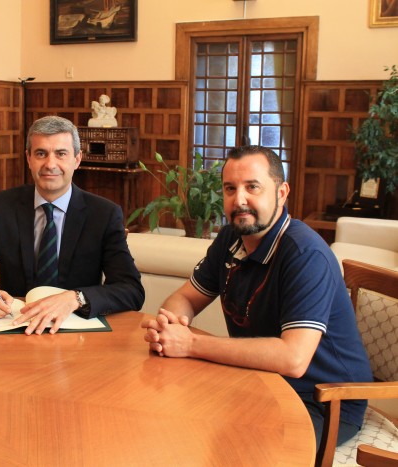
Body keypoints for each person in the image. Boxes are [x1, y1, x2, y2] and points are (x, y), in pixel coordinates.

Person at [141, 145, 372, 449]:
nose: (239, 200)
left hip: (324, 400)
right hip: (259, 381)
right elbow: (184, 298)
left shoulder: (305, 255)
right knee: (166, 421)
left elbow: (293, 359)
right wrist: (170, 324)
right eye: (230, 188)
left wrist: (191, 343)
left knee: (232, 447)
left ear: (281, 192)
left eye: (253, 187)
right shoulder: (230, 238)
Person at [0, 115, 144, 335]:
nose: (50, 164)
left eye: (61, 154)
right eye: (41, 153)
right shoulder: (3, 206)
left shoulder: (104, 214)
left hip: (76, 333)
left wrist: (76, 298)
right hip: (15, 329)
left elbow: (132, 290)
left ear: (77, 159)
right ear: (28, 158)